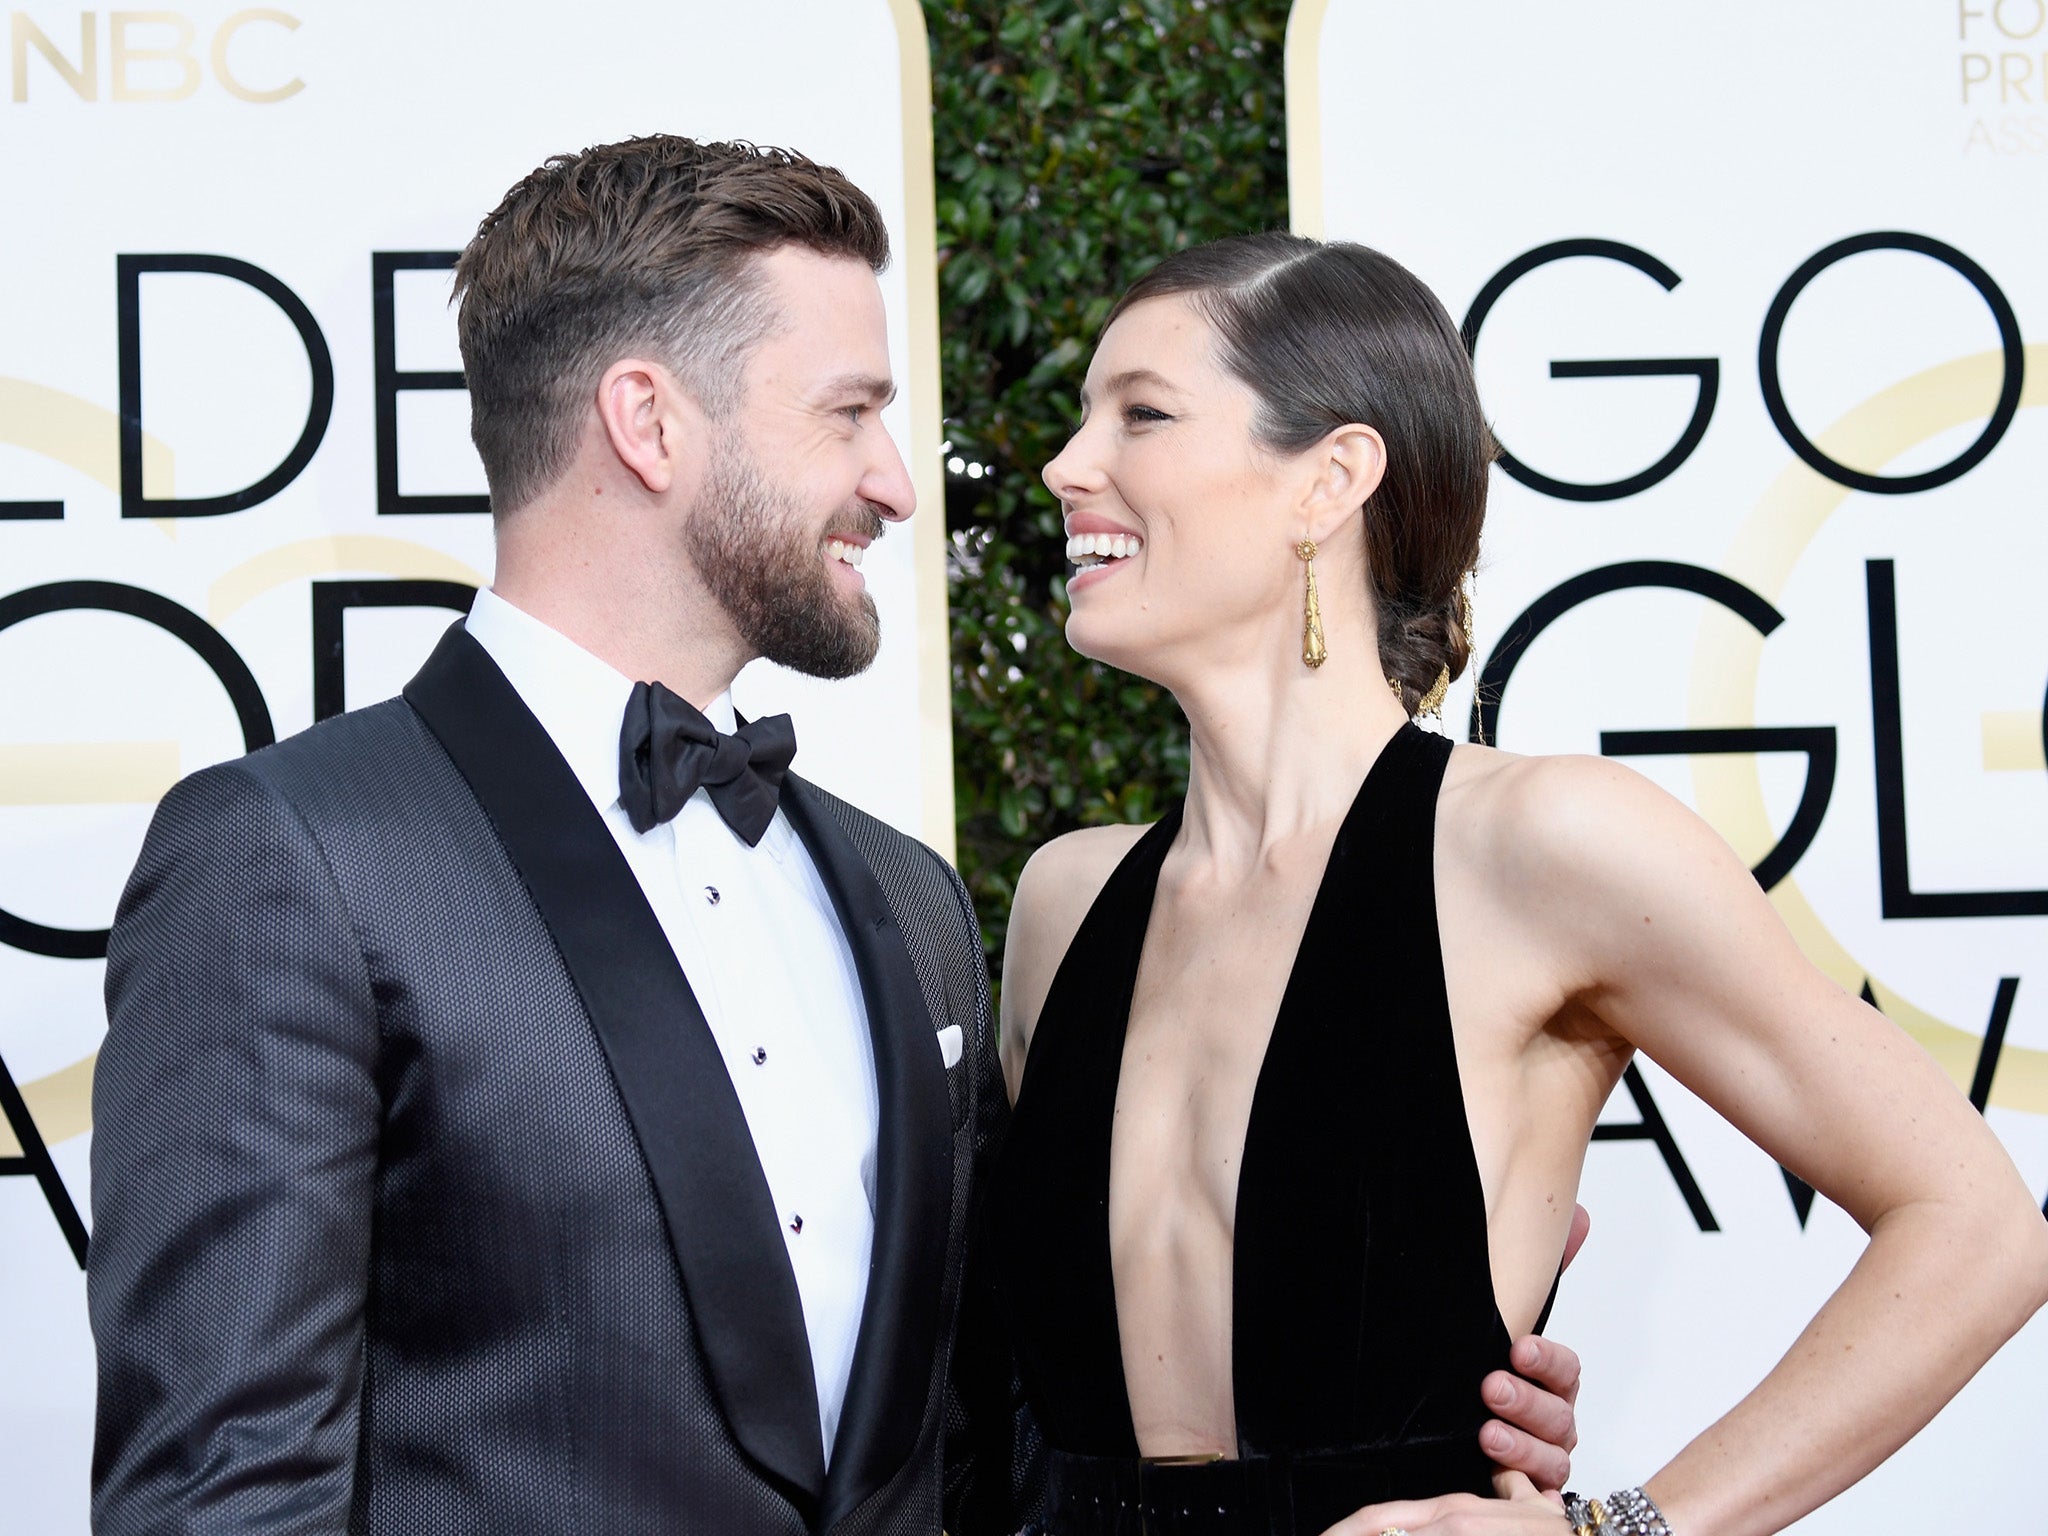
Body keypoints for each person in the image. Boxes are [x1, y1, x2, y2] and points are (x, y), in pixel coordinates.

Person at [86, 140, 1578, 1535]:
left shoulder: (905, 901)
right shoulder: (295, 856)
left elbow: (998, 1427)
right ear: (649, 420)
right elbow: (223, 1492)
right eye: (848, 412)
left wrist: (1425, 1388)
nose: (893, 481)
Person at [990, 231, 2048, 1536]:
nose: (1065, 466)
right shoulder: (1066, 905)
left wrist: (1622, 1529)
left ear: (1331, 478)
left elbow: (1979, 1228)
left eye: (1140, 415)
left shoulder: (1540, 849)